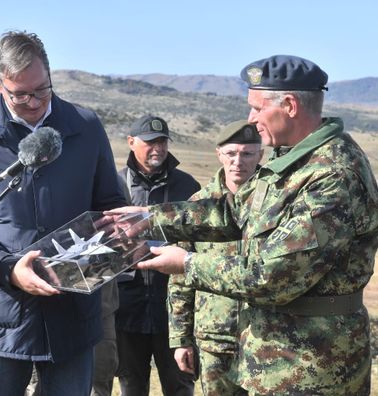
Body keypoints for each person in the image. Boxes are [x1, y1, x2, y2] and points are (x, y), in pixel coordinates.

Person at [105, 55, 378, 395]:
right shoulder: (291, 160)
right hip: (276, 359)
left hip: (314, 367)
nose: (251, 118)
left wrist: (187, 264)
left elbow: (270, 275)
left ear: (290, 105)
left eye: (257, 108)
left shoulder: (333, 175)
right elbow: (233, 212)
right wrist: (149, 219)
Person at [0, 30, 126, 396]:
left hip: (72, 312)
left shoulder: (85, 127)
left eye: (42, 89)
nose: (34, 101)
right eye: (20, 94)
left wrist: (117, 236)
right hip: (1, 317)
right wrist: (9, 269)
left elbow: (110, 205)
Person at [168, 120, 263, 396]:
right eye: (231, 153)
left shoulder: (277, 204)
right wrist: (181, 339)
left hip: (266, 338)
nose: (238, 162)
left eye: (247, 154)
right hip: (213, 339)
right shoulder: (199, 205)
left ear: (261, 155)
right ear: (219, 154)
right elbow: (180, 277)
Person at [115, 115, 200, 396]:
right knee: (131, 387)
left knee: (179, 387)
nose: (158, 148)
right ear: (130, 143)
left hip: (175, 310)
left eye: (162, 141)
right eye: (150, 142)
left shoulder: (188, 188)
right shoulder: (114, 187)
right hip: (127, 309)